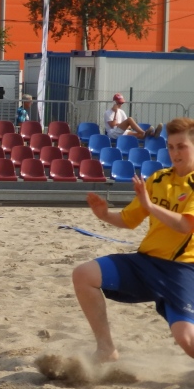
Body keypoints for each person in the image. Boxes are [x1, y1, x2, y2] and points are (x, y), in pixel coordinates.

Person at [72, 117, 194, 363]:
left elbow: (184, 226)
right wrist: (105, 215)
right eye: (170, 147)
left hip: (182, 270)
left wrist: (150, 206)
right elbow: (129, 220)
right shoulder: (158, 179)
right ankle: (106, 350)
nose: (174, 152)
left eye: (181, 146)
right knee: (84, 274)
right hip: (146, 262)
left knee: (187, 340)